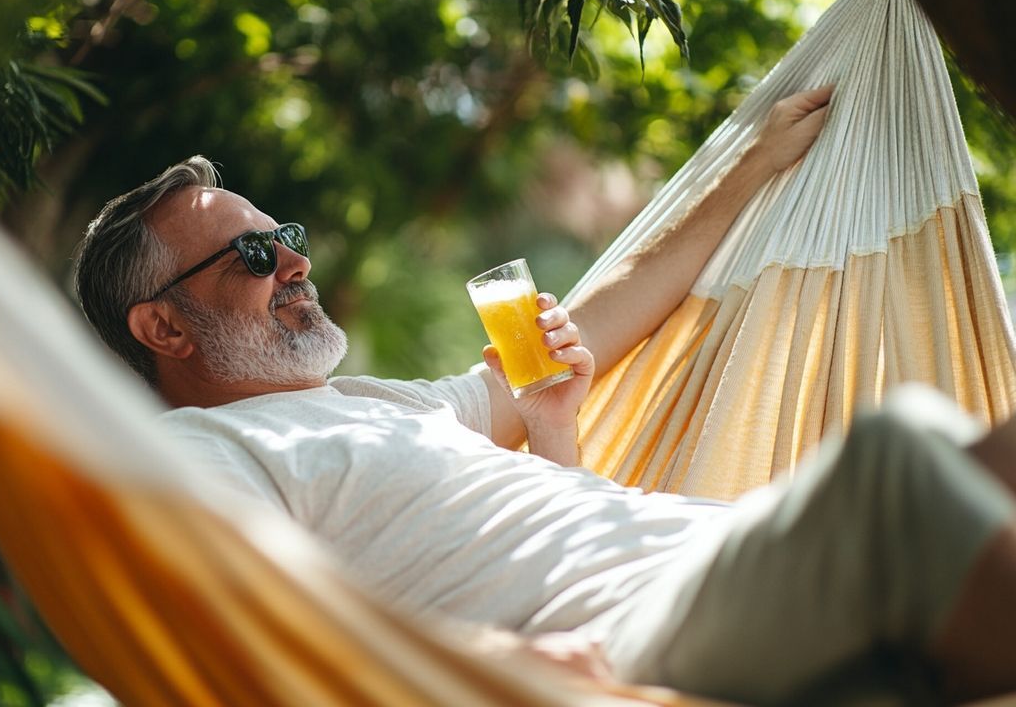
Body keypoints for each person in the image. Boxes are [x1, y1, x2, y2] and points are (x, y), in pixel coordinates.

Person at [72, 86, 1016, 705]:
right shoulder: (203, 456)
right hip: (641, 632)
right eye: (250, 252)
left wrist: (752, 167)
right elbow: (229, 640)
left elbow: (589, 330)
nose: (294, 259)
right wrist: (489, 672)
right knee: (899, 457)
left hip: (721, 552)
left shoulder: (385, 403)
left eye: (284, 232)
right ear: (164, 328)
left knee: (945, 440)